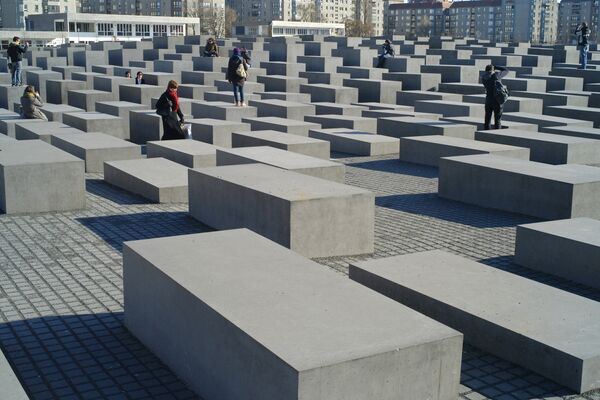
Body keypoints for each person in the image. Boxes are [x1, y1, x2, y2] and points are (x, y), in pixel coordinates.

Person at [481, 64, 509, 130]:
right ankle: (497, 134)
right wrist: (495, 66)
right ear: (492, 70)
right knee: (497, 120)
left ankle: (486, 135)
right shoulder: (496, 75)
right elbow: (506, 70)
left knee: (487, 119)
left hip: (488, 100)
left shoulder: (483, 77)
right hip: (497, 100)